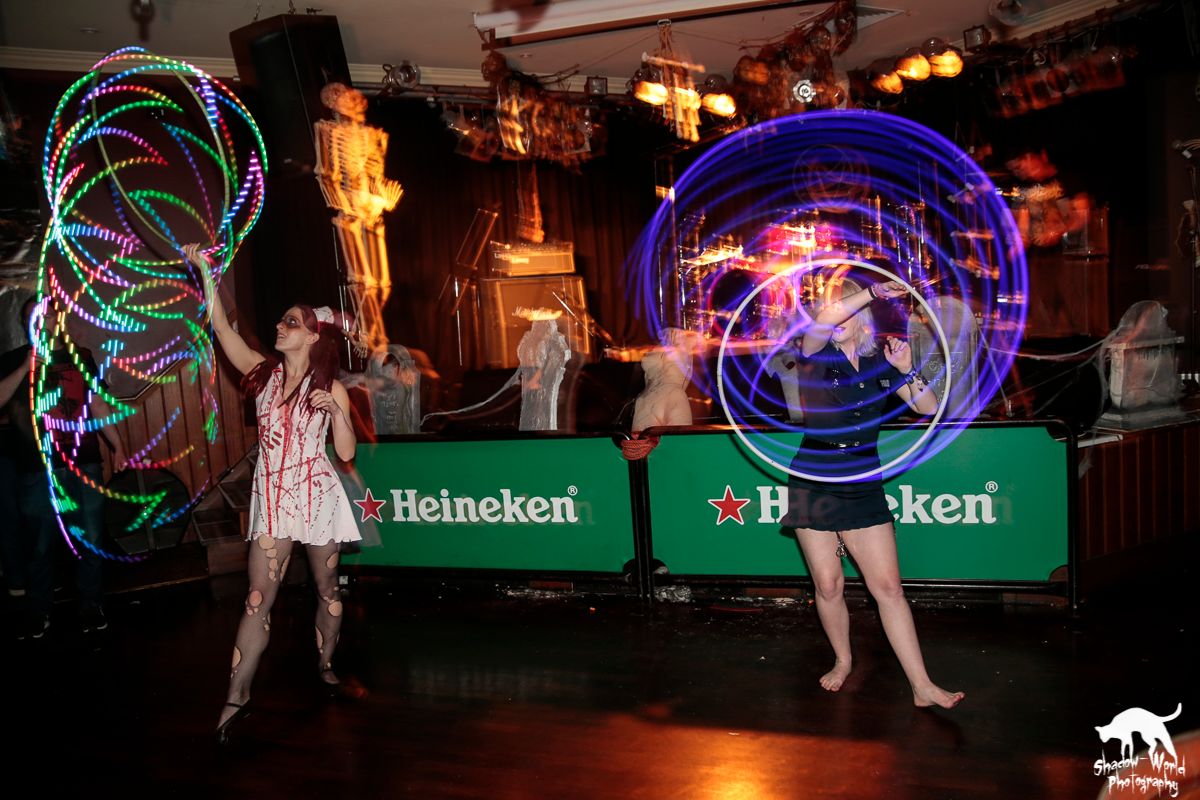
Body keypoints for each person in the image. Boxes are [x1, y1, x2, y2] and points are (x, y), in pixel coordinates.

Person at [183, 245, 362, 744]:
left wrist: (337, 413)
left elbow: (347, 452)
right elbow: (223, 330)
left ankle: (325, 664)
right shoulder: (262, 374)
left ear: (312, 336)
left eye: (290, 322)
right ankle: (236, 697)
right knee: (257, 598)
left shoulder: (331, 387)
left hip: (318, 499)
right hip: (275, 501)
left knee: (327, 589)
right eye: (281, 321)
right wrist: (206, 273)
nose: (280, 327)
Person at [780, 277, 964, 709]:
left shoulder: (881, 363)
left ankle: (922, 686)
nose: (836, 314)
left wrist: (906, 369)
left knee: (889, 588)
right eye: (832, 307)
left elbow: (927, 408)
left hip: (862, 480)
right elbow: (826, 318)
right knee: (828, 585)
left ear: (862, 320)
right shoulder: (814, 353)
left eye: (846, 306)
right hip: (816, 477)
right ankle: (843, 660)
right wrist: (874, 292)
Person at [0, 296, 127, 639]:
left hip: (84, 462)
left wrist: (117, 445)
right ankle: (38, 610)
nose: (41, 323)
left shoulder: (80, 357)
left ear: (58, 321)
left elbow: (97, 404)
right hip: (37, 468)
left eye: (46, 316)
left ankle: (90, 605)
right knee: (39, 544)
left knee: (90, 539)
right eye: (33, 318)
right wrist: (25, 368)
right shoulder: (14, 359)